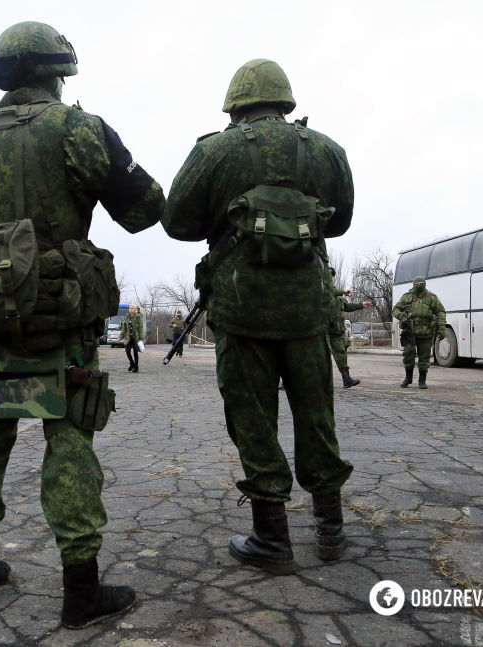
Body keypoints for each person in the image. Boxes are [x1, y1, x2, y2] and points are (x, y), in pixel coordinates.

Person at [0, 22, 164, 626]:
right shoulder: (77, 129)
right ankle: (80, 591)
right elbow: (144, 209)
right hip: (62, 326)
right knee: (69, 442)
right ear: (58, 73)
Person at [162, 59, 355, 573]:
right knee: (317, 417)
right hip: (308, 310)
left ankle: (272, 538)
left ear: (235, 104)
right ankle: (331, 531)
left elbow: (177, 222)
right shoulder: (325, 150)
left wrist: (227, 217)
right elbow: (340, 222)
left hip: (241, 308)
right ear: (285, 100)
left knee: (253, 421)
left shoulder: (214, 151)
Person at [392, 276, 446, 389]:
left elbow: (440, 312)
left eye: (421, 284)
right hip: (409, 331)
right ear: (413, 285)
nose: (419, 286)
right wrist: (402, 317)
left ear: (425, 284)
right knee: (408, 355)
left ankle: (422, 380)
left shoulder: (432, 297)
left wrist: (441, 328)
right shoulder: (407, 297)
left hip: (425, 332)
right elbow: (395, 309)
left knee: (424, 357)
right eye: (416, 284)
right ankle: (408, 378)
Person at [328, 279, 372, 388]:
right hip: (321, 332)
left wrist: (362, 304)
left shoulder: (338, 298)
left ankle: (346, 379)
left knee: (341, 354)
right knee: (314, 356)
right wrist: (342, 291)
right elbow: (327, 291)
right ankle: (289, 382)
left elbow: (348, 307)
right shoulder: (321, 292)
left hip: (336, 331)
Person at [120, 305, 144, 372]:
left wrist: (141, 337)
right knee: (127, 351)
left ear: (135, 309)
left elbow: (140, 328)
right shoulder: (126, 316)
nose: (131, 309)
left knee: (135, 352)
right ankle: (132, 363)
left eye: (132, 308)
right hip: (128, 337)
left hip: (136, 337)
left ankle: (136, 367)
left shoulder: (138, 317)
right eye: (130, 308)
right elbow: (124, 328)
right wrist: (120, 336)